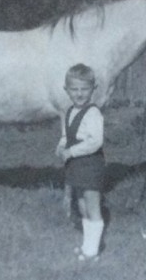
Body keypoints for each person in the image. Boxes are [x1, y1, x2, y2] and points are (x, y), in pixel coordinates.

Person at [56, 63, 105, 261]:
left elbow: (95, 141)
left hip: (90, 165)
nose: (79, 94)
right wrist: (61, 146)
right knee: (82, 204)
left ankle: (92, 252)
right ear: (66, 90)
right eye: (74, 89)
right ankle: (87, 245)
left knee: (92, 205)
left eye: (84, 89)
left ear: (93, 89)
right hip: (76, 165)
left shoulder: (93, 113)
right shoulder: (69, 111)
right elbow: (67, 135)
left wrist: (72, 152)